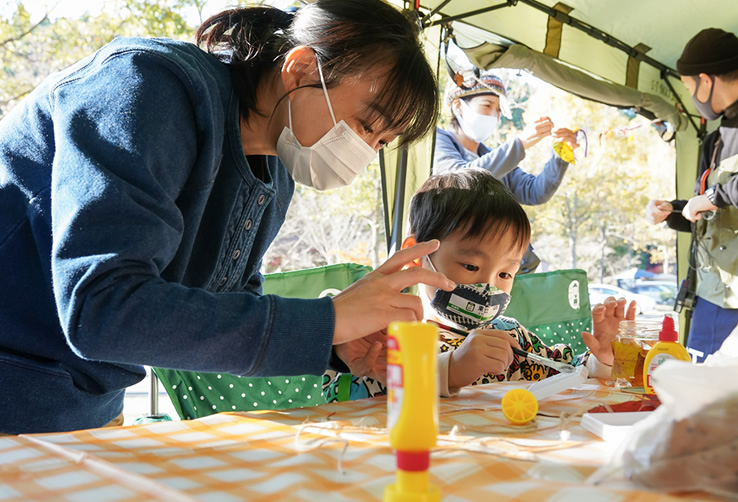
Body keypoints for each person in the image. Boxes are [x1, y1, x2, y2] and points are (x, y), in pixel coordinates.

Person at [0, 0, 456, 434]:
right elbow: (103, 308)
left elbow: (219, 306)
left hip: (88, 408)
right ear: (300, 70)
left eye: (380, 142)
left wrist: (334, 341)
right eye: (365, 124)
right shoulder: (149, 85)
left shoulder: (275, 174)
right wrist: (328, 319)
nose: (363, 150)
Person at [324, 169, 635, 400]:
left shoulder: (512, 337)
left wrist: (602, 360)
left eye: (505, 274)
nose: (488, 286)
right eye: (471, 266)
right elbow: (354, 392)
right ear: (417, 256)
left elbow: (565, 377)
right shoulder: (381, 332)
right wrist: (451, 368)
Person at [645, 28, 738, 362]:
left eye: (688, 88)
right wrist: (672, 210)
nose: (691, 97)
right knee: (704, 393)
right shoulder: (714, 141)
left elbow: (718, 198)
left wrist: (714, 195)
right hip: (713, 293)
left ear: (705, 80)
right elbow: (710, 214)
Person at [434, 70, 581, 272]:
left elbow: (535, 191)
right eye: (487, 105)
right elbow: (459, 178)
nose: (494, 115)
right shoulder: (437, 141)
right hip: (461, 267)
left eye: (498, 110)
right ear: (458, 106)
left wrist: (561, 153)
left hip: (501, 267)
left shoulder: (493, 157)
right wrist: (520, 143)